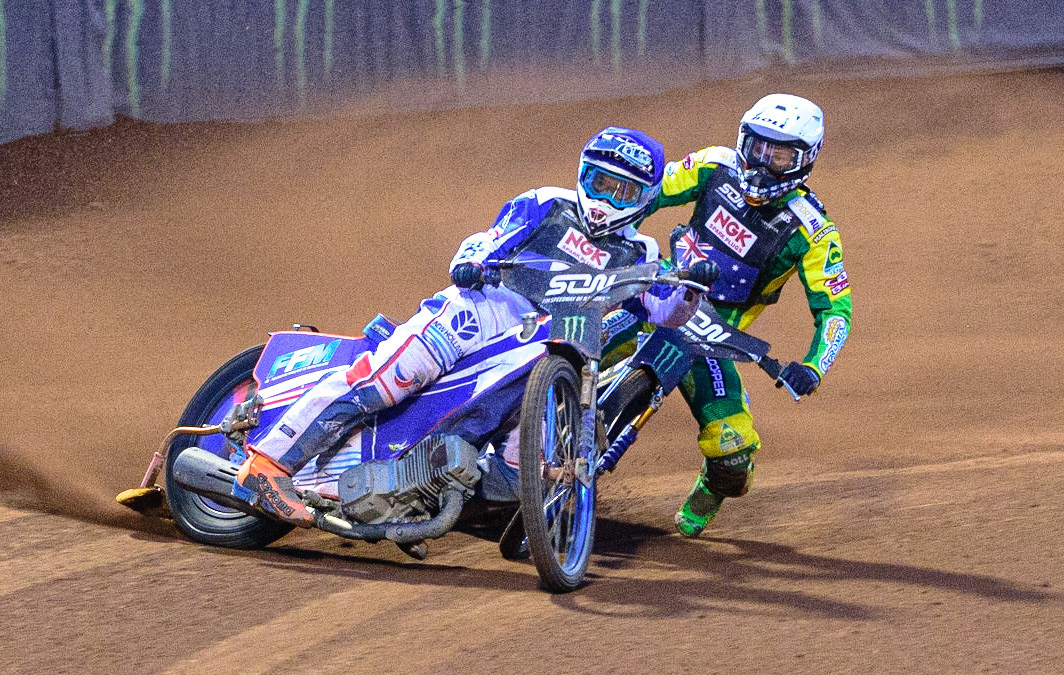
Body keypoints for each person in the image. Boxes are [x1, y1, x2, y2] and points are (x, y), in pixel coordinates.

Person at [230, 126, 709, 527]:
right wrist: (473, 261)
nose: (605, 199)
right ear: (583, 173)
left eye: (622, 191)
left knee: (523, 471)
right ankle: (268, 463)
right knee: (386, 380)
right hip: (483, 312)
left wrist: (692, 286)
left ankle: (424, 489)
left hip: (552, 351)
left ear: (646, 198)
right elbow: (489, 239)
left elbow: (662, 311)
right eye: (599, 182)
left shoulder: (641, 253)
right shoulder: (546, 203)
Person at [638, 93, 852, 537]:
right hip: (654, 292)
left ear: (804, 160)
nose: (762, 163)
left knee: (733, 456)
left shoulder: (813, 231)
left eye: (779, 156)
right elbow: (646, 194)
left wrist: (813, 367)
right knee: (559, 342)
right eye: (757, 147)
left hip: (711, 340)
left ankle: (714, 485)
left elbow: (836, 310)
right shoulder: (714, 164)